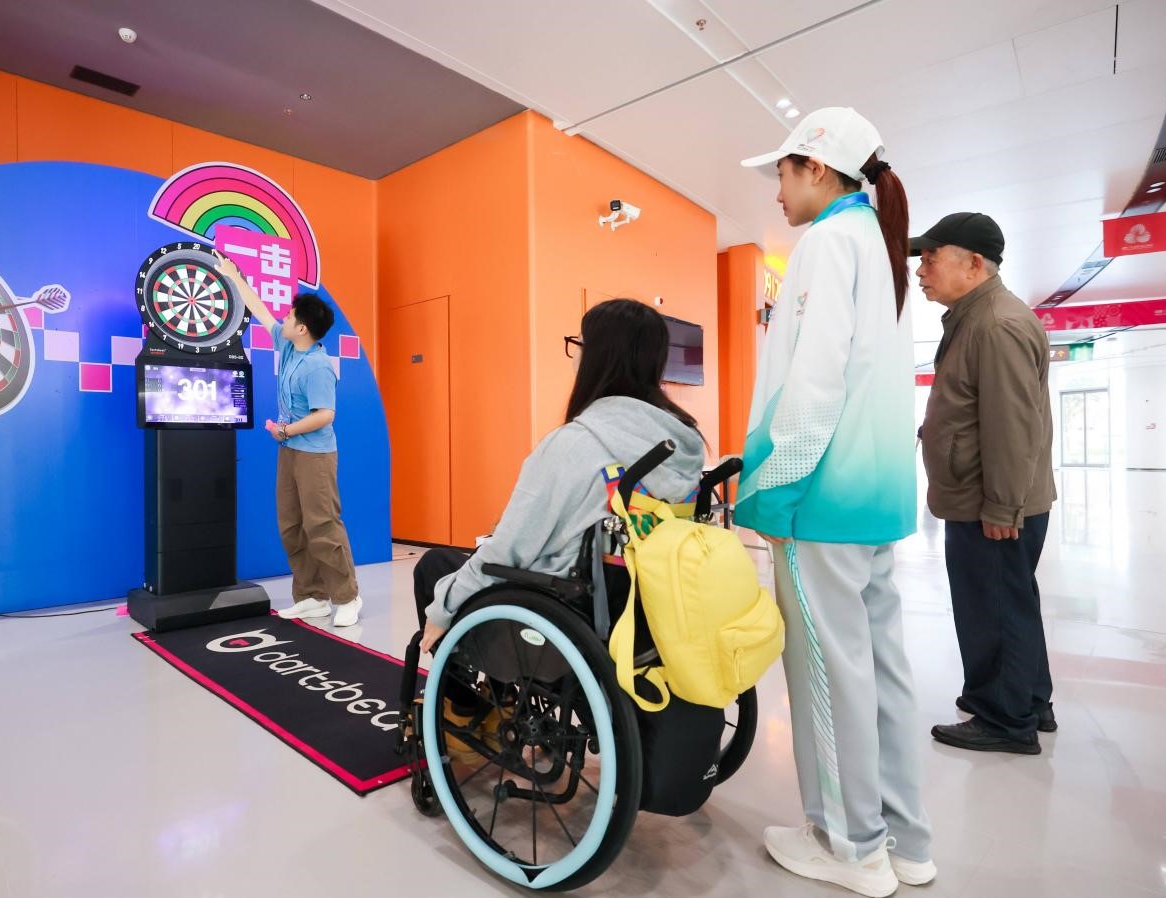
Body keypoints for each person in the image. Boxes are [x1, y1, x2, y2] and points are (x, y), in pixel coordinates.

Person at [735, 107, 932, 897]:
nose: (776, 191)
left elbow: (812, 384)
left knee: (826, 671)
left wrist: (771, 491)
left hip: (822, 499)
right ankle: (906, 841)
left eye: (781, 173)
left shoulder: (826, 243)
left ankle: (850, 847)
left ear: (815, 167)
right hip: (875, 498)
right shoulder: (879, 246)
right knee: (880, 670)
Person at [414, 299, 704, 654]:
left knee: (435, 567)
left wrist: (443, 607)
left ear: (597, 357)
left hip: (575, 618)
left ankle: (461, 685)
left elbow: (507, 553)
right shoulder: (685, 443)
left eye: (578, 343)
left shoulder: (573, 444)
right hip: (655, 612)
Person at [911, 212, 1057, 754]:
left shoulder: (995, 324)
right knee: (1011, 602)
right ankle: (1029, 701)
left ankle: (1003, 719)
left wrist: (1001, 507)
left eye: (931, 258)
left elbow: (1013, 426)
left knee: (992, 608)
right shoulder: (978, 317)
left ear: (973, 264)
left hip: (988, 503)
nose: (920, 270)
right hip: (986, 495)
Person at [213, 251, 362, 627]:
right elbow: (260, 309)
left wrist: (285, 430)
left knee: (322, 525)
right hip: (290, 451)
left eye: (291, 316)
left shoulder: (317, 366)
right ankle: (312, 596)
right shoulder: (288, 344)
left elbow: (325, 415)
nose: (284, 318)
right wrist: (233, 275)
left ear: (304, 329)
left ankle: (347, 597)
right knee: (292, 526)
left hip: (315, 455)